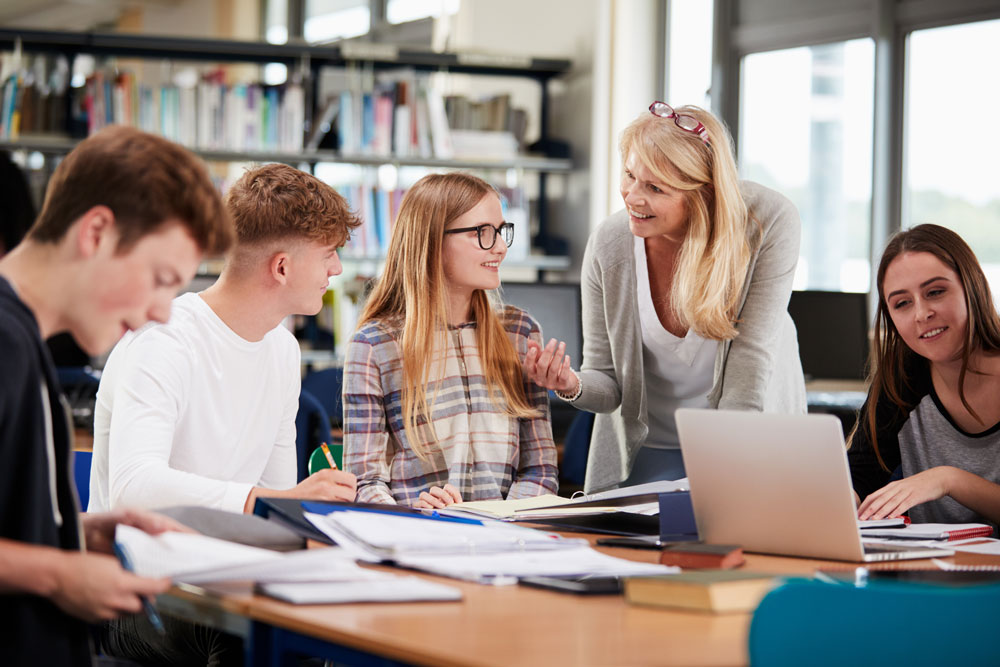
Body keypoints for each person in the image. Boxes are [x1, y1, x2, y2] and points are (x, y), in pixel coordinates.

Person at [0, 125, 233, 665]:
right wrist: (59, 573)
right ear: (97, 232)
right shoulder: (6, 343)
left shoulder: (26, 345)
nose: (161, 311)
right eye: (160, 278)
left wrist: (73, 536)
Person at [524, 102, 806, 493]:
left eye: (654, 188)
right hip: (649, 449)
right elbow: (607, 384)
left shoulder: (767, 221)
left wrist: (725, 483)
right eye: (629, 176)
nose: (632, 198)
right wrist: (569, 383)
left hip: (746, 441)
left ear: (703, 193)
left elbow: (750, 368)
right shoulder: (610, 243)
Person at [90, 162, 360, 517]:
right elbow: (133, 488)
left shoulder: (282, 350)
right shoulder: (163, 340)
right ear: (282, 268)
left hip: (227, 557)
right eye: (328, 254)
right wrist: (269, 501)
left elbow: (274, 498)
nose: (336, 269)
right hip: (141, 561)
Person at [343, 172, 558, 508]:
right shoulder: (374, 346)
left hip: (508, 539)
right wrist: (411, 513)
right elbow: (364, 482)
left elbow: (540, 470)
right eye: (483, 233)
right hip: (422, 540)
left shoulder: (519, 332)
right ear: (432, 242)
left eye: (501, 231)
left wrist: (504, 518)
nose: (500, 247)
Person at [849, 224, 1000, 528]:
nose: (921, 314)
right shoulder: (901, 382)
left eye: (935, 292)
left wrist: (948, 479)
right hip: (928, 572)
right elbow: (859, 476)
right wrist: (840, 500)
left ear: (973, 287)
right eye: (902, 303)